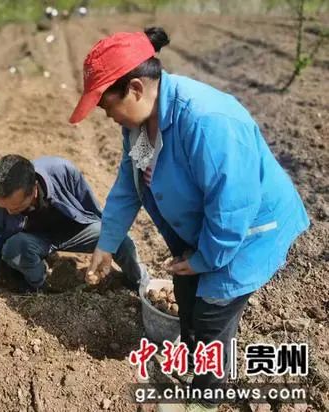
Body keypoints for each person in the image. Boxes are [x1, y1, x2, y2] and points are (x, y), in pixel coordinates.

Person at [70, 29, 309, 412]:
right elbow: (129, 184)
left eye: (106, 105)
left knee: (212, 310)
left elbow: (232, 209)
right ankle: (199, 362)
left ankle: (206, 399)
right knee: (187, 297)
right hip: (202, 228)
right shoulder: (140, 126)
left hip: (247, 233)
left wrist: (203, 260)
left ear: (134, 88)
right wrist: (106, 242)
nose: (108, 116)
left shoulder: (206, 121)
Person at [0, 154, 147, 358]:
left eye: (15, 208)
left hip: (75, 230)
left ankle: (140, 284)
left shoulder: (61, 171)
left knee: (120, 239)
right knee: (13, 248)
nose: (8, 211)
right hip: (35, 239)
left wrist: (104, 247)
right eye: (3, 206)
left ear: (34, 189)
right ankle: (41, 284)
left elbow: (91, 208)